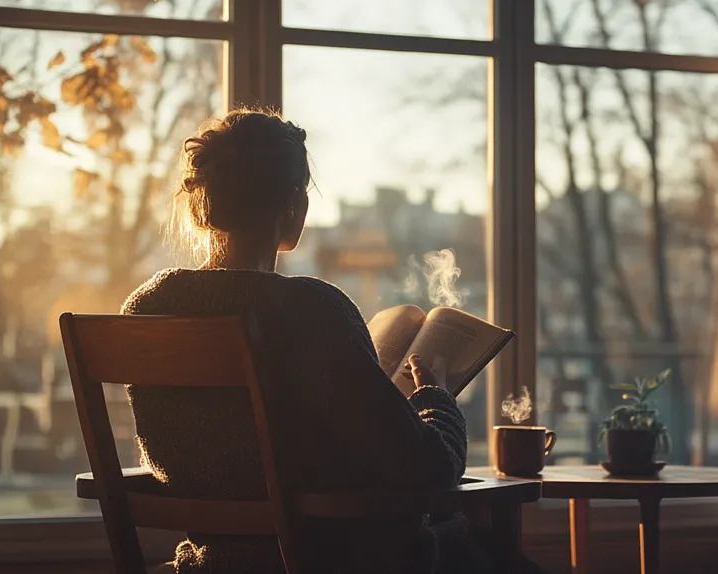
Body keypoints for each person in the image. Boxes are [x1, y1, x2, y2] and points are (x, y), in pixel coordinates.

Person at [121, 107, 490, 574]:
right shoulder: (311, 311)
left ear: (202, 202)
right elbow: (430, 469)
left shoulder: (146, 308)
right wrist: (433, 398)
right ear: (293, 204)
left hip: (209, 564)